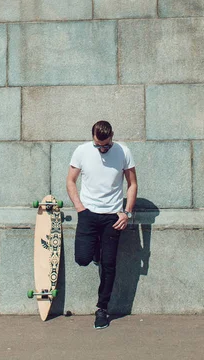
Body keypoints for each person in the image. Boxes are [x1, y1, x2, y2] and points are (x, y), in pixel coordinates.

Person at [66, 120, 137, 329]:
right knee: (82, 258)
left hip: (112, 217)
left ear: (112, 136)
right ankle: (96, 252)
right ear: (93, 139)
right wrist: (80, 207)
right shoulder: (82, 151)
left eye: (106, 145)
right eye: (99, 146)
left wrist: (127, 213)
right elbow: (70, 181)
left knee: (109, 264)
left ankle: (102, 309)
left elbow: (132, 184)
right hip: (88, 214)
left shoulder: (123, 152)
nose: (103, 149)